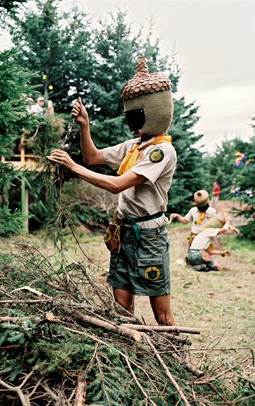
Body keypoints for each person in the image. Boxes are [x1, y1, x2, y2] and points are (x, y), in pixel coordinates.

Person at [48, 57, 178, 327]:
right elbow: (92, 156)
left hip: (149, 237)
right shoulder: (134, 146)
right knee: (121, 308)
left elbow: (117, 185)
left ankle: (179, 359)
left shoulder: (161, 151)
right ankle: (132, 355)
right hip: (123, 232)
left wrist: (72, 167)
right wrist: (85, 126)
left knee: (162, 315)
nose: (132, 120)